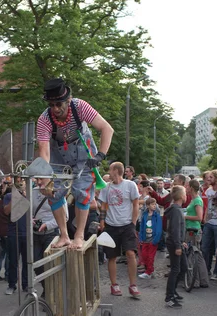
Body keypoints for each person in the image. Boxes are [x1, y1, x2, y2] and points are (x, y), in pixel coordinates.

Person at [36, 78, 114, 250]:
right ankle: (64, 235)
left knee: (83, 192)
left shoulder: (80, 107)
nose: (55, 109)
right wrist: (44, 176)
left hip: (83, 151)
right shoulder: (44, 119)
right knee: (53, 192)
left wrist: (100, 155)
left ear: (68, 100)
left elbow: (107, 128)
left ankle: (79, 236)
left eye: (59, 104)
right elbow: (44, 150)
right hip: (58, 154)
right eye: (51, 104)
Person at [98, 162, 141, 299]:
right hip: (111, 225)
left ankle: (133, 285)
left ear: (116, 171)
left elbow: (135, 204)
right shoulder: (107, 187)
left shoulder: (130, 185)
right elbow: (103, 206)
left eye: (110, 170)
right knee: (112, 256)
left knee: (130, 253)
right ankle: (114, 284)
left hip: (127, 224)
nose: (109, 173)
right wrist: (102, 221)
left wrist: (133, 223)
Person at [164, 185, 187, 308]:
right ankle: (169, 296)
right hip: (174, 244)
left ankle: (173, 291)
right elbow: (175, 229)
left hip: (177, 242)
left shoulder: (176, 209)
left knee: (183, 268)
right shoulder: (176, 210)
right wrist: (178, 245)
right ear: (182, 196)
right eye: (185, 193)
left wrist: (181, 241)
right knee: (175, 269)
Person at [201, 170, 217, 276]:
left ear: (216, 178)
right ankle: (206, 269)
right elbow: (208, 207)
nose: (208, 179)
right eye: (208, 177)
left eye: (211, 177)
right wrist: (205, 219)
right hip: (209, 222)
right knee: (205, 247)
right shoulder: (208, 191)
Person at [138, 197, 162, 279]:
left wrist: (155, 240)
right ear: (148, 206)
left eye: (155, 204)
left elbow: (159, 228)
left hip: (153, 240)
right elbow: (141, 227)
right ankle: (149, 270)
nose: (154, 206)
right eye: (152, 204)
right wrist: (140, 238)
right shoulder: (144, 215)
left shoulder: (157, 216)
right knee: (144, 255)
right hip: (145, 239)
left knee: (150, 256)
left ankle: (148, 272)